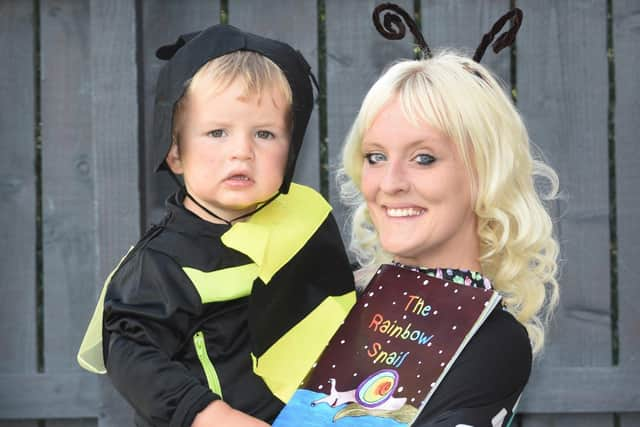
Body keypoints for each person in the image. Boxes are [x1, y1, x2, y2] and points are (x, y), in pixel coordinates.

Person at [77, 24, 355, 427]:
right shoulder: (162, 265)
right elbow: (130, 350)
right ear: (175, 153)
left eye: (264, 133)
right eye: (217, 133)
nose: (241, 152)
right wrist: (209, 414)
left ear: (290, 149)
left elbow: (333, 291)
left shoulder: (304, 214)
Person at [338, 49, 560, 426]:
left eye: (423, 158)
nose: (390, 184)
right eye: (375, 157)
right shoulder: (330, 291)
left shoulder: (493, 343)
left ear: (485, 172)